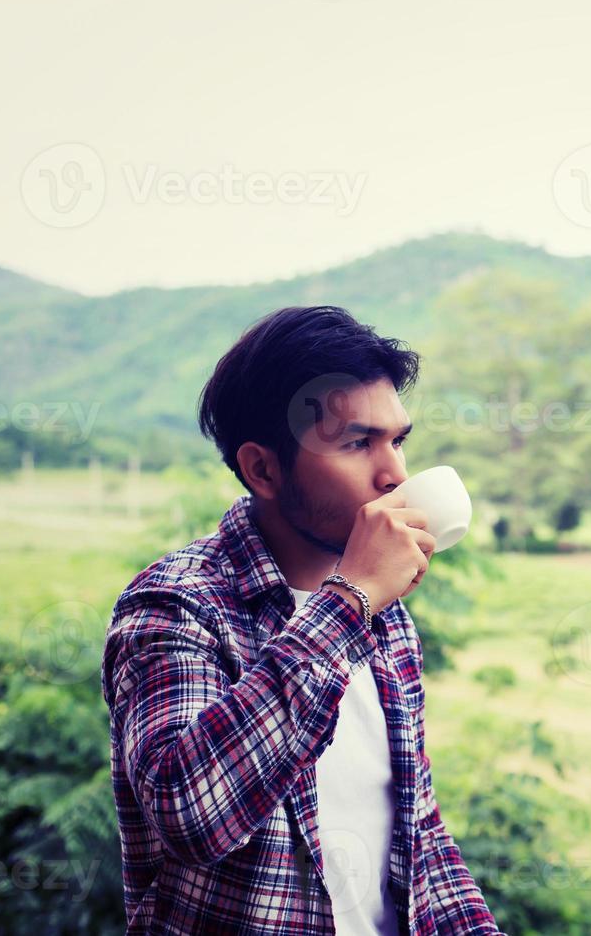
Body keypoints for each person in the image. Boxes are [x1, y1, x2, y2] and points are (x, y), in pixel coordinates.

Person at [100, 305, 504, 935]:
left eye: (397, 439)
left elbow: (420, 839)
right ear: (263, 468)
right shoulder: (174, 606)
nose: (394, 473)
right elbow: (190, 815)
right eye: (356, 443)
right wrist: (347, 603)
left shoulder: (386, 618)